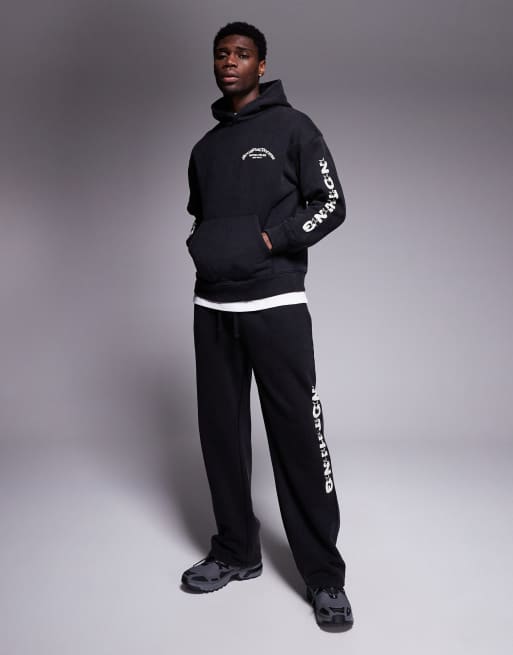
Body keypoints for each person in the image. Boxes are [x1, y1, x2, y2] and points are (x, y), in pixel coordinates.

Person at [181, 21, 353, 630]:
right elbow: (204, 218)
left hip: (275, 304)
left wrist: (268, 241)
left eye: (242, 54)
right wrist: (209, 248)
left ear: (261, 64)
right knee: (220, 437)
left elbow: (331, 204)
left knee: (298, 438)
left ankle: (324, 576)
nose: (230, 62)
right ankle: (235, 551)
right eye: (221, 54)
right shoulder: (205, 148)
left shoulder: (294, 128)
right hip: (212, 308)